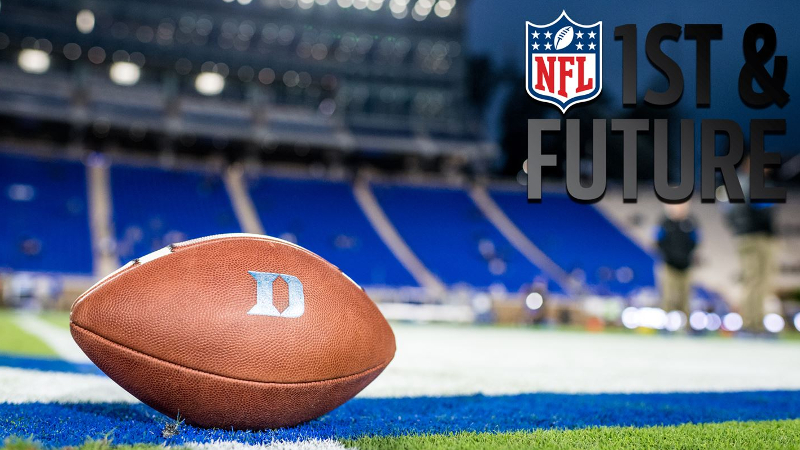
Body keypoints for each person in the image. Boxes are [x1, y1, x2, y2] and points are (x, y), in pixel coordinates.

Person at [724, 157, 778, 333]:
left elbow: (728, 213)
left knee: (759, 281)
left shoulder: (740, 183)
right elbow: (762, 209)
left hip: (751, 235)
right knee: (754, 280)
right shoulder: (748, 184)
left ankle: (755, 321)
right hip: (754, 237)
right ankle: (750, 322)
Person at [655, 201, 699, 322]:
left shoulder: (690, 223)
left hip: (686, 265)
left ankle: (686, 324)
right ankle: (666, 322)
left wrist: (686, 257)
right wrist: (668, 257)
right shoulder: (664, 223)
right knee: (668, 296)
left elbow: (695, 241)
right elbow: (658, 242)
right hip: (669, 264)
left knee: (685, 296)